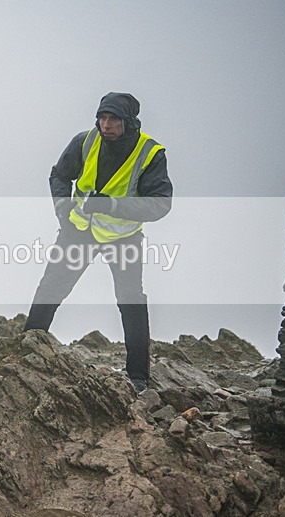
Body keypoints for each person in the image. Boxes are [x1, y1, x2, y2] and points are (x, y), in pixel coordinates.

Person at [24, 92, 172, 395]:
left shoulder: (150, 153)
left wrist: (112, 206)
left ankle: (138, 377)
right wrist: (63, 211)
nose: (107, 125)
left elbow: (161, 205)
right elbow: (59, 175)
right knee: (51, 287)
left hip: (123, 236)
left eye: (114, 119)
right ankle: (26, 352)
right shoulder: (85, 141)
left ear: (129, 122)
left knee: (130, 298)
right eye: (103, 118)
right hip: (78, 229)